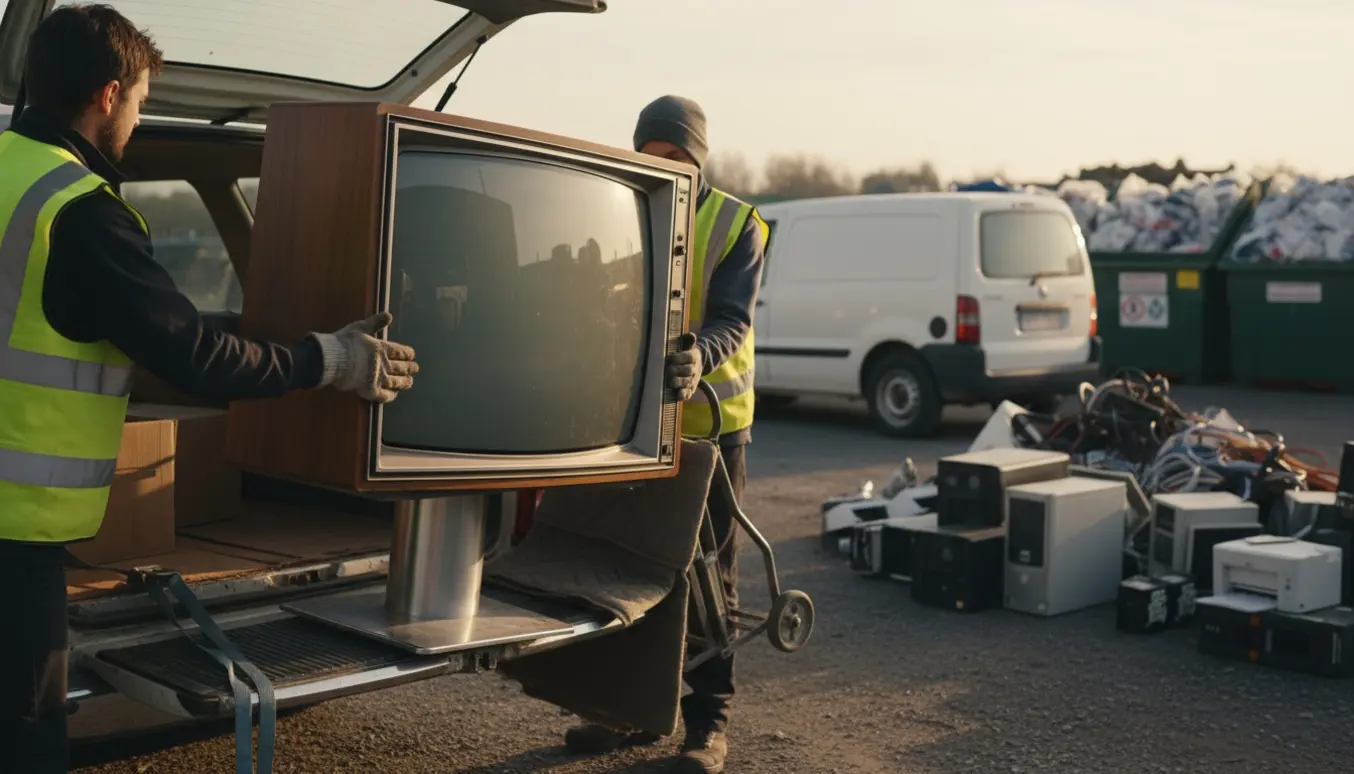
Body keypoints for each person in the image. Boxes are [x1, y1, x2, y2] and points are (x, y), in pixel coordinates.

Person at [0, 6, 418, 772]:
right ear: (107, 95)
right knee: (25, 738)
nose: (137, 119)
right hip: (13, 536)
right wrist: (330, 360)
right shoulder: (81, 212)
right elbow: (192, 357)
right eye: (140, 102)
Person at [564, 95, 768, 774]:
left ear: (699, 158)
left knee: (710, 579)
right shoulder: (622, 209)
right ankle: (627, 711)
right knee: (627, 567)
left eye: (677, 156)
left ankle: (708, 726)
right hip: (631, 426)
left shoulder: (737, 223)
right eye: (651, 156)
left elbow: (733, 319)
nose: (664, 167)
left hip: (711, 429)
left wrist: (697, 357)